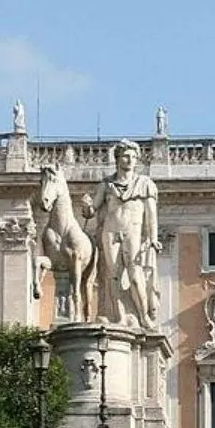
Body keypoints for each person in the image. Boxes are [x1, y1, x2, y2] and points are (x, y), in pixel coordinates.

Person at [80, 139, 161, 330]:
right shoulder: (107, 185)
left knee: (135, 274)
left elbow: (151, 216)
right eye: (126, 156)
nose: (130, 160)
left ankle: (143, 317)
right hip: (110, 231)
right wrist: (86, 206)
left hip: (133, 231)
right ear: (118, 158)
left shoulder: (144, 184)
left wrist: (153, 238)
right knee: (113, 275)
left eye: (133, 157)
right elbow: (92, 211)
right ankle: (120, 317)